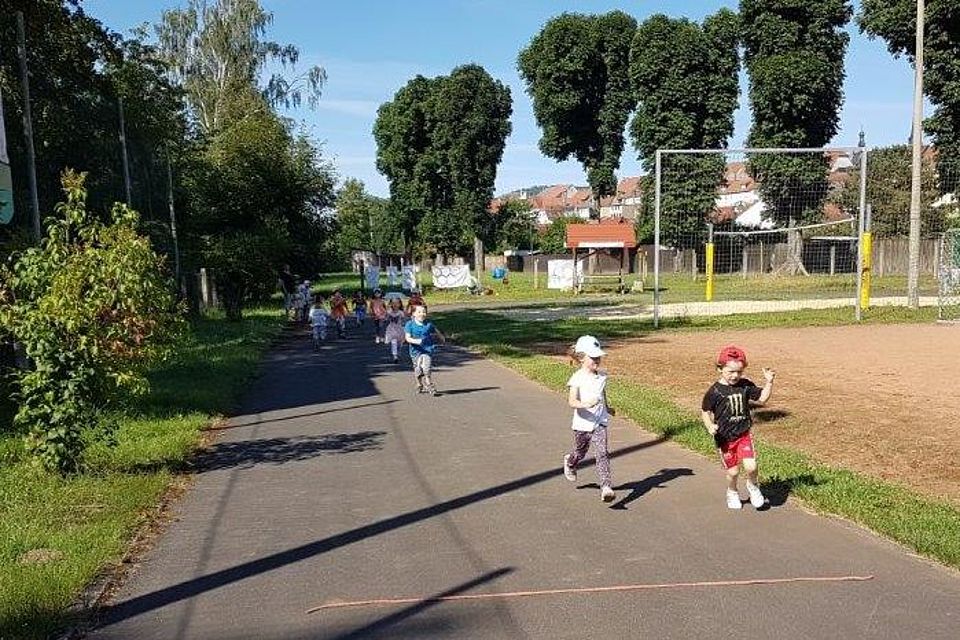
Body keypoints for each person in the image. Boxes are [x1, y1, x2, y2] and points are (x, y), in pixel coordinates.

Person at [701, 345, 776, 510]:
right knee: (733, 472)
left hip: (743, 434)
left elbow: (762, 398)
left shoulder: (745, 385)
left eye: (739, 372)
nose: (735, 376)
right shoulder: (714, 392)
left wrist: (769, 382)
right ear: (720, 369)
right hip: (725, 438)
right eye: (731, 371)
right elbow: (705, 411)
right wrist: (709, 425)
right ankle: (732, 491)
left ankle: (753, 486)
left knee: (752, 466)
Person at [562, 335, 617, 503]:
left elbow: (602, 393)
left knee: (602, 453)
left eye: (598, 356)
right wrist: (586, 404)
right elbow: (572, 401)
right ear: (581, 357)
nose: (597, 360)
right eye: (593, 357)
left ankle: (606, 487)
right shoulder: (577, 378)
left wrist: (607, 408)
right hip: (582, 423)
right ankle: (570, 462)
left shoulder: (601, 377)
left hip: (599, 422)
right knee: (580, 452)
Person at [404, 304, 445, 395]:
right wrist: (416, 341)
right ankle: (419, 384)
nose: (422, 314)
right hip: (415, 351)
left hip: (427, 349)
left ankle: (429, 384)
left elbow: (435, 330)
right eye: (419, 312)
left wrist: (441, 337)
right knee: (418, 369)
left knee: (427, 368)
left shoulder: (428, 324)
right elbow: (407, 338)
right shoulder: (409, 324)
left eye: (424, 312)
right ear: (414, 313)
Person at [383, 297, 406, 363]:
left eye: (397, 303)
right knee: (393, 342)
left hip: (400, 329)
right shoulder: (389, 312)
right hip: (391, 329)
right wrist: (385, 316)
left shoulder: (401, 312)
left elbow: (404, 321)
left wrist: (405, 328)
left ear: (400, 304)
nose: (395, 305)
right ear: (391, 304)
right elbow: (386, 319)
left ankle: (398, 352)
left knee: (399, 344)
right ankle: (395, 356)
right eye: (393, 303)